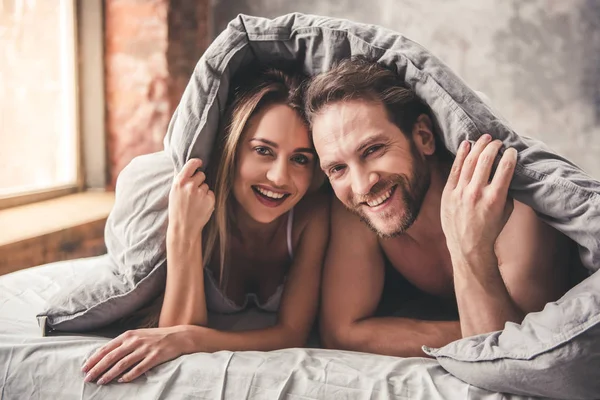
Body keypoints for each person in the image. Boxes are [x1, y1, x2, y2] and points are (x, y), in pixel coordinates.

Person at [305, 57, 573, 357]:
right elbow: (343, 334)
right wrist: (472, 330)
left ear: (423, 137)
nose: (361, 185)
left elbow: (511, 358)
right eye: (337, 168)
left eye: (373, 150)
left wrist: (469, 247)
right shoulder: (359, 207)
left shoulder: (514, 209)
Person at [81, 67, 329, 384]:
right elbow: (175, 326)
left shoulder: (312, 215)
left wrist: (192, 338)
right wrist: (183, 231)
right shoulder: (198, 203)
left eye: (300, 159)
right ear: (232, 147)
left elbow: (290, 332)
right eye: (263, 150)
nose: (279, 177)